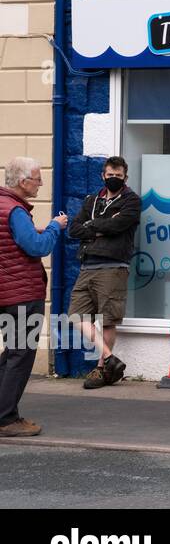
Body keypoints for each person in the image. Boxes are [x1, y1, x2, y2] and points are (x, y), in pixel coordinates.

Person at [0, 157, 66, 437]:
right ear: (23, 181)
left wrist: (32, 230)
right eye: (38, 179)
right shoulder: (14, 210)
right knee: (21, 356)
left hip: (7, 294)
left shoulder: (3, 206)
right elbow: (37, 247)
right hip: (22, 295)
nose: (40, 183)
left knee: (10, 355)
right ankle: (6, 419)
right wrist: (54, 227)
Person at [67, 156, 140, 389]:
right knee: (76, 316)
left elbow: (118, 226)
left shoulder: (131, 201)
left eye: (118, 176)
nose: (114, 179)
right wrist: (100, 226)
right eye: (110, 175)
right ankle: (110, 358)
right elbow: (74, 229)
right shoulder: (92, 200)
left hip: (113, 266)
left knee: (107, 321)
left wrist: (92, 225)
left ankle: (101, 369)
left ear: (125, 177)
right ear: (103, 176)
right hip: (87, 265)